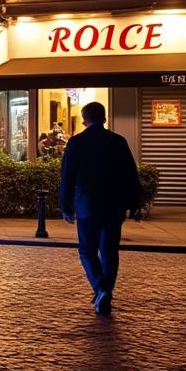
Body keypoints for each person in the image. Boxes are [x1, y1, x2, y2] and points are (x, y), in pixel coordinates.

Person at [60, 102, 143, 316]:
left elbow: (67, 176)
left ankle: (101, 288)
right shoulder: (118, 142)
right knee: (109, 251)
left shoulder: (77, 142)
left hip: (86, 205)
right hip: (114, 206)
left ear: (84, 120)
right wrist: (135, 203)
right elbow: (130, 175)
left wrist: (65, 205)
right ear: (104, 118)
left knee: (87, 251)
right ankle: (105, 290)